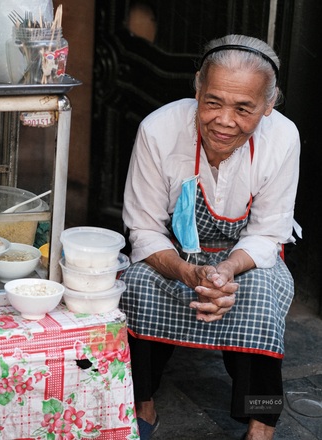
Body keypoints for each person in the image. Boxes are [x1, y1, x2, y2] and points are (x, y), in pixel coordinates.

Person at [119, 34, 300, 440]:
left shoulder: (283, 138)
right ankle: (140, 403)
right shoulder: (158, 130)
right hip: (176, 256)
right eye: (213, 102)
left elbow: (269, 232)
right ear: (197, 87)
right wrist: (186, 271)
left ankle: (262, 423)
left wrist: (226, 271)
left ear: (269, 105)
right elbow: (144, 227)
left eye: (244, 108)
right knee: (136, 287)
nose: (224, 120)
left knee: (262, 296)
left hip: (244, 257)